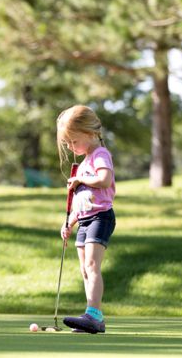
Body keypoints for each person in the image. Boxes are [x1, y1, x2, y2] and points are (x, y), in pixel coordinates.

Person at [56, 105, 116, 334]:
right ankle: (90, 316)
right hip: (85, 219)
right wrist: (69, 222)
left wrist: (81, 177)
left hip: (101, 217)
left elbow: (104, 179)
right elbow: (81, 201)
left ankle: (94, 314)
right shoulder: (85, 161)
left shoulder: (100, 155)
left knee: (92, 265)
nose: (71, 147)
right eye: (68, 143)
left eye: (73, 141)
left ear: (90, 133)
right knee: (84, 268)